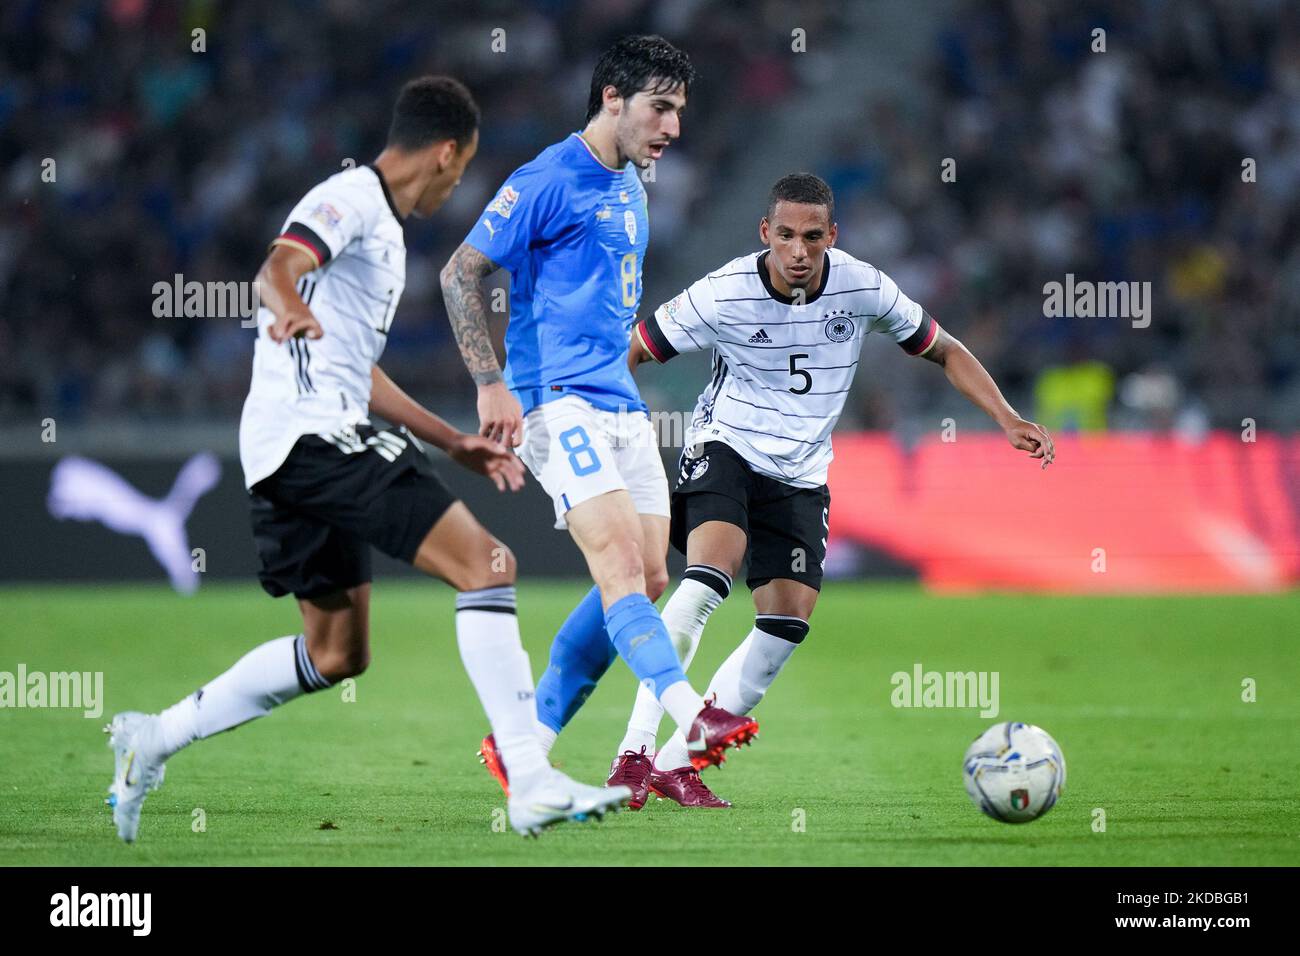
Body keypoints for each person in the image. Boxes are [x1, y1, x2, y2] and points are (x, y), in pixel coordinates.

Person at [104, 76, 631, 843]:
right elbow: (277, 267)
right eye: (459, 171)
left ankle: (152, 738)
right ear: (445, 152)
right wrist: (286, 302)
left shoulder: (379, 229)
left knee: (336, 653)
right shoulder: (352, 196)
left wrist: (450, 441)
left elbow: (359, 368)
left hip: (286, 449)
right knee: (488, 565)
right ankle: (531, 778)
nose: (454, 188)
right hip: (320, 439)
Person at [607, 172, 1057, 807]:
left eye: (811, 237)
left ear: (831, 236)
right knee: (710, 573)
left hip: (801, 474)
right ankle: (633, 751)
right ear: (765, 233)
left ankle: (678, 764)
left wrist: (1008, 419)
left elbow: (946, 349)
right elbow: (632, 350)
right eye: (785, 235)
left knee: (786, 622)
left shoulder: (863, 286)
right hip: (723, 446)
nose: (797, 250)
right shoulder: (724, 292)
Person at [440, 37, 757, 804]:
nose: (673, 126)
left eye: (680, 109)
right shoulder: (546, 178)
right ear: (611, 98)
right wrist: (491, 384)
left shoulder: (633, 185)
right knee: (618, 568)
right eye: (659, 106)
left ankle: (528, 745)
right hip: (555, 402)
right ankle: (695, 715)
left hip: (617, 400)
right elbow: (461, 273)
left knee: (648, 579)